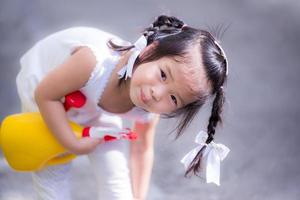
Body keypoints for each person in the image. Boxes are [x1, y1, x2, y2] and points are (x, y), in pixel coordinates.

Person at [16, 15, 229, 200]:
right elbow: (45, 95)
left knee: (115, 173)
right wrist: (74, 144)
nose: (157, 93)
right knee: (54, 168)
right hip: (46, 86)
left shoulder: (148, 108)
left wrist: (138, 196)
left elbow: (142, 150)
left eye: (173, 98)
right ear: (149, 51)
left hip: (97, 105)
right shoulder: (92, 62)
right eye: (163, 75)